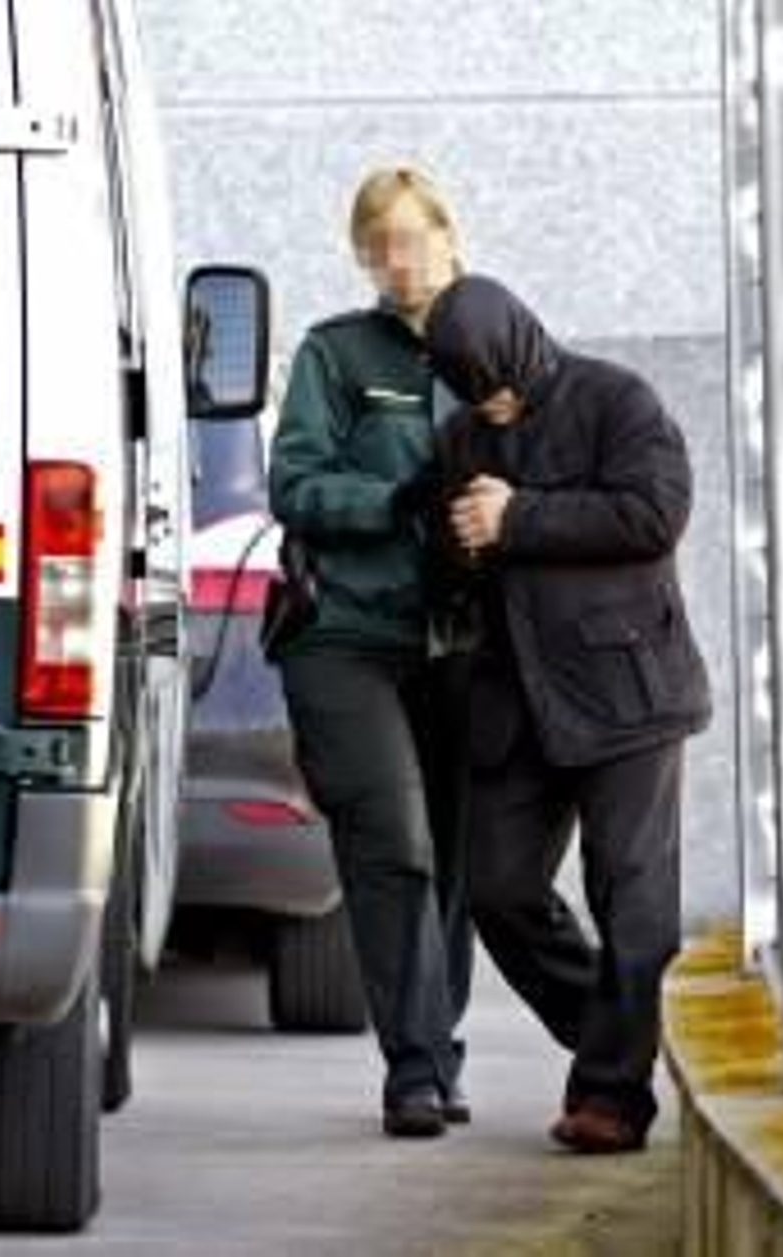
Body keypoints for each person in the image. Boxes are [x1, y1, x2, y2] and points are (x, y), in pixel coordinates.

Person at [421, 273, 711, 1154]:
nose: (496, 408)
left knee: (630, 893)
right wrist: (459, 540)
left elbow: (655, 513)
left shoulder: (617, 400)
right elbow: (450, 565)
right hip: (518, 704)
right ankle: (616, 1034)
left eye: (503, 389)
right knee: (500, 889)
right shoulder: (461, 436)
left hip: (629, 694)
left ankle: (611, 1096)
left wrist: (518, 518)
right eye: (477, 395)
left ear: (524, 344)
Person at [267, 166, 474, 1138]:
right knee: (395, 843)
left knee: (460, 857)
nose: (397, 259)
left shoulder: (492, 353)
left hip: (459, 640)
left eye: (410, 237)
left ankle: (440, 1048)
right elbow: (294, 484)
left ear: (448, 236)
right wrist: (391, 500)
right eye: (377, 243)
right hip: (347, 634)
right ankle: (415, 1069)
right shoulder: (336, 353)